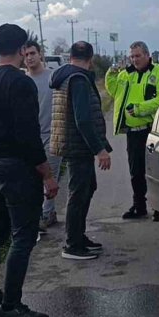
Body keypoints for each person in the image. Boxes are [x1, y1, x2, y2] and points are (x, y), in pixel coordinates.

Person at [0, 23, 58, 317]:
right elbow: (29, 136)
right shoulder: (21, 84)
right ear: (21, 49)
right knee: (23, 236)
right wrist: (47, 174)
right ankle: (11, 306)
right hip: (18, 168)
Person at [49, 41, 112, 260]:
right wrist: (100, 150)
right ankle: (72, 244)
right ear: (91, 59)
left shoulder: (66, 75)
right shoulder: (78, 79)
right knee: (79, 193)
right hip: (79, 146)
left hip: (74, 144)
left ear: (70, 56)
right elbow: (83, 120)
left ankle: (78, 235)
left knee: (87, 188)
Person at [105, 41, 159, 220]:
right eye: (132, 56)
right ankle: (139, 205)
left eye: (138, 56)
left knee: (156, 171)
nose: (134, 59)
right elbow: (115, 92)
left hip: (153, 130)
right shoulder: (127, 74)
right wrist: (110, 75)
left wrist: (140, 109)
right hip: (134, 132)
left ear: (147, 55)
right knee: (136, 171)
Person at [24, 39, 63, 232]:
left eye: (32, 53)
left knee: (51, 174)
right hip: (31, 136)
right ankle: (39, 213)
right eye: (26, 55)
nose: (29, 58)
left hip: (53, 133)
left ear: (40, 54)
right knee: (33, 177)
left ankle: (48, 213)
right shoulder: (22, 81)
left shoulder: (53, 77)